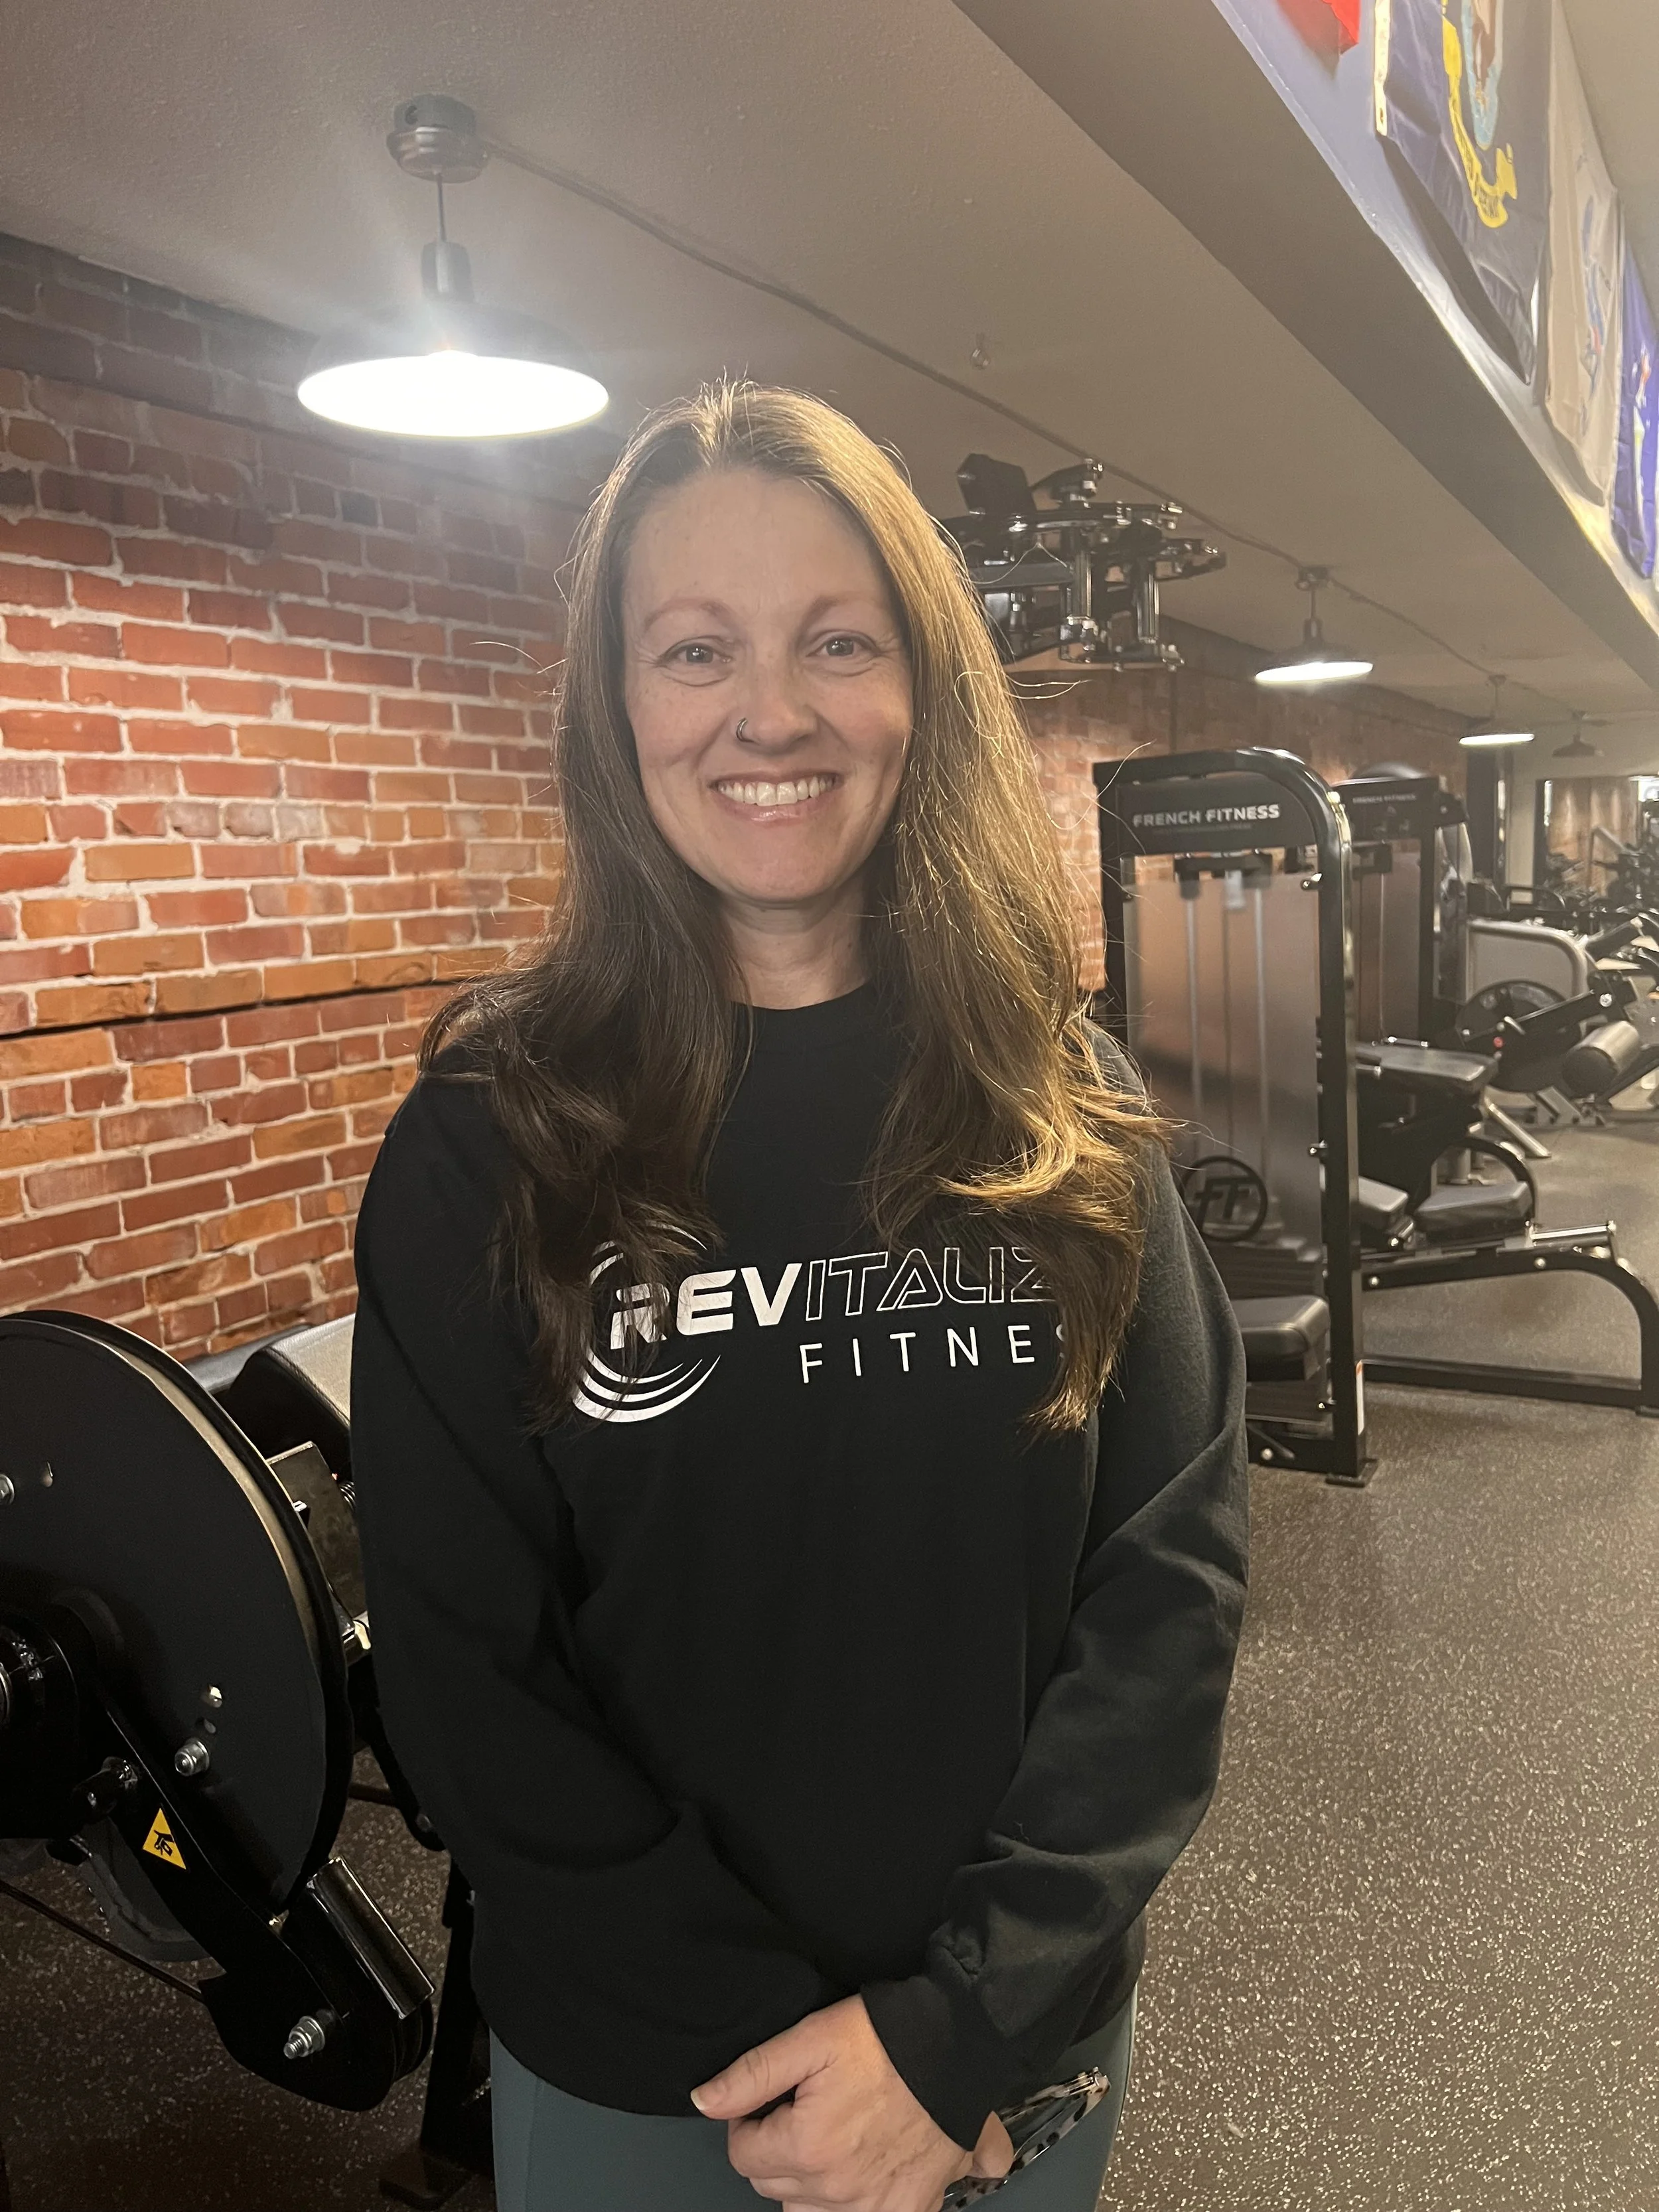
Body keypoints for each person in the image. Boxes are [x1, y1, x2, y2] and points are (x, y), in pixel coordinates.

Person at [350, 382, 1250, 2212]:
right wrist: (798, 2065)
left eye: (834, 639)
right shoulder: (488, 1136)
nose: (768, 710)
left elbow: (1168, 1582)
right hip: (648, 2074)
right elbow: (466, 1671)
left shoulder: (1053, 1096)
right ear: (618, 708)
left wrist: (947, 2037)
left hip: (1005, 2063)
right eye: (696, 649)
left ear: (917, 686)